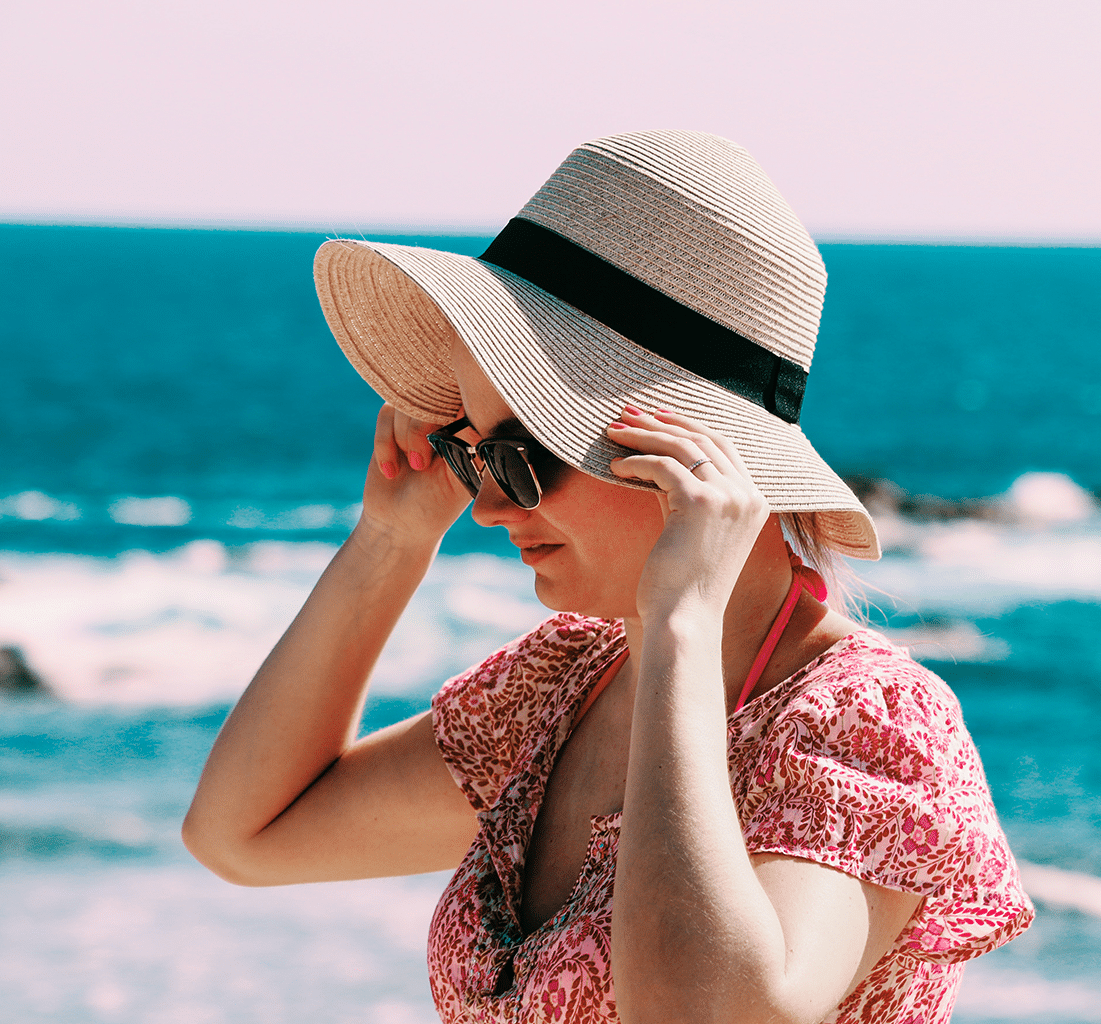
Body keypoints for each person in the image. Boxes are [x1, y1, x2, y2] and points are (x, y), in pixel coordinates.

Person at [183, 131, 1033, 1024]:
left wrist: (680, 625)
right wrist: (391, 540)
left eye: (521, 452)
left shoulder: (868, 725)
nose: (488, 507)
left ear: (691, 452)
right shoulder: (563, 685)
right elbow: (246, 833)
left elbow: (706, 1013)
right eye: (470, 452)